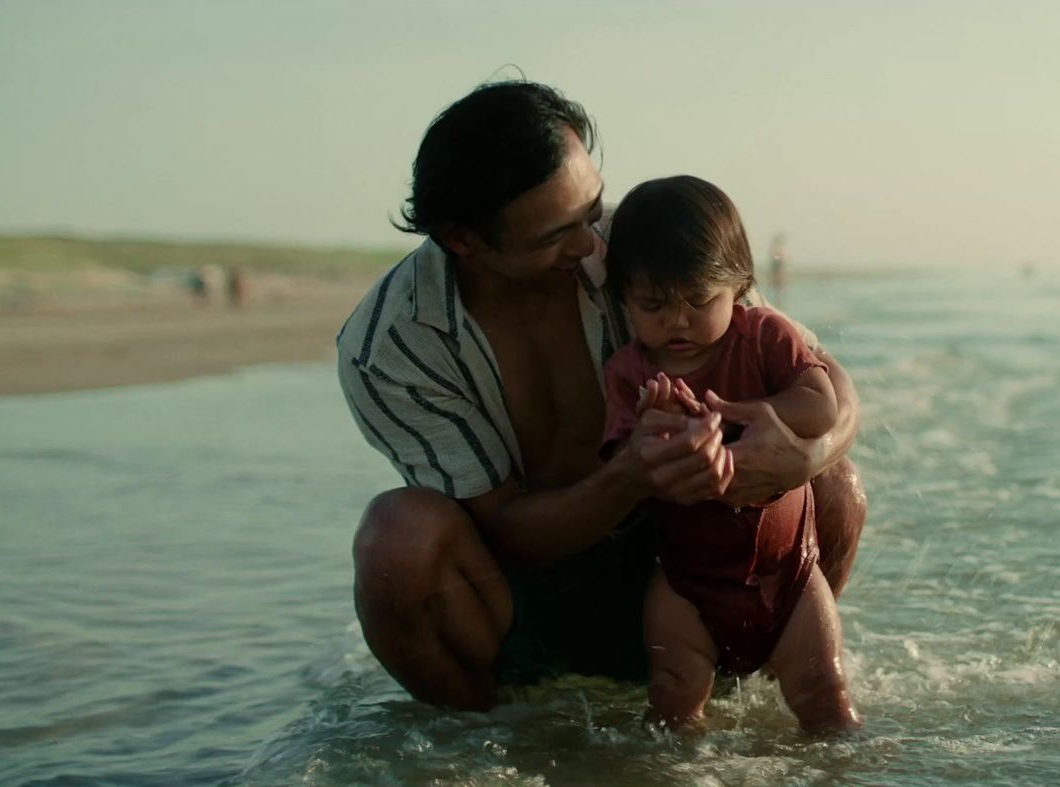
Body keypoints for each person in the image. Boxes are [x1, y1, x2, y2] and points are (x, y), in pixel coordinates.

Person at [334, 81, 867, 711]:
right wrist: (628, 477)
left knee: (834, 482)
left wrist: (810, 455)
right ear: (463, 239)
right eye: (555, 235)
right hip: (525, 596)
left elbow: (826, 377)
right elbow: (502, 530)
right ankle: (488, 745)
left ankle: (755, 696)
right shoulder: (390, 346)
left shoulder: (642, 240)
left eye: (590, 212)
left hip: (694, 559)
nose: (592, 245)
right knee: (394, 539)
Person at [599, 176, 860, 732]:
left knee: (824, 694)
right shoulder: (631, 375)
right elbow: (623, 468)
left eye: (699, 300)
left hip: (788, 573)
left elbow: (820, 407)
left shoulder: (765, 336)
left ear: (740, 287)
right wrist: (653, 434)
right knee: (671, 702)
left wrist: (742, 418)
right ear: (622, 296)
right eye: (653, 304)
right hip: (685, 582)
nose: (677, 320)